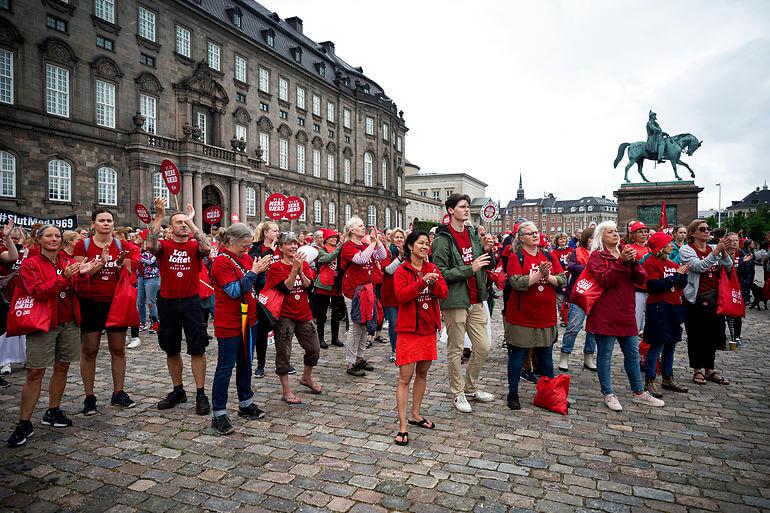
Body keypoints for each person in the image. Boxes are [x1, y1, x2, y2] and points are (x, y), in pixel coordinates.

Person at [5, 226, 98, 447]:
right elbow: (38, 291)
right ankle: (24, 422)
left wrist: (83, 275)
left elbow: (78, 289)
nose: (54, 239)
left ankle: (53, 410)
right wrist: (65, 278)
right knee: (35, 372)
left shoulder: (66, 261)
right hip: (43, 325)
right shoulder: (31, 264)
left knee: (62, 366)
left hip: (69, 323)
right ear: (39, 240)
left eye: (57, 236)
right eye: (49, 235)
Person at [586, 221, 664, 411]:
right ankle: (608, 393)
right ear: (600, 236)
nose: (615, 234)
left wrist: (634, 262)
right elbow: (605, 280)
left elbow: (641, 279)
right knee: (605, 354)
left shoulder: (626, 253)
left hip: (625, 312)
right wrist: (621, 262)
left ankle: (638, 392)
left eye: (615, 231)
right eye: (609, 232)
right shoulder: (597, 256)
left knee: (632, 353)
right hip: (604, 313)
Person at [146, 198, 212, 415]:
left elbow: (207, 247)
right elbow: (149, 244)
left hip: (192, 302)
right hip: (168, 303)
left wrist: (192, 222)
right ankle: (178, 390)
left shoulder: (194, 246)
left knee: (197, 348)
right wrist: (158, 216)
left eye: (185, 222)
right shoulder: (164, 246)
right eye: (179, 222)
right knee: (171, 349)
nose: (183, 225)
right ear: (170, 228)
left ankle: (201, 393)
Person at [431, 193, 495, 413]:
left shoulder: (472, 233)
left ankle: (470, 386)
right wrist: (471, 268)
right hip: (456, 300)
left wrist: (488, 250)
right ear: (450, 211)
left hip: (477, 298)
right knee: (456, 348)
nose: (467, 210)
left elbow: (485, 264)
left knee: (483, 347)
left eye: (468, 206)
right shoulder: (442, 239)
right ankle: (457, 392)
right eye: (462, 206)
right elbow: (440, 273)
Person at [73, 208, 139, 414]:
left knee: (118, 349)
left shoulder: (122, 245)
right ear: (93, 223)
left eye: (109, 220)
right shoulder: (83, 245)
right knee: (90, 350)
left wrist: (121, 265)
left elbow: (129, 270)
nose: (106, 223)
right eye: (101, 220)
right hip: (91, 302)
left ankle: (118, 392)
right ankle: (89, 396)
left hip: (116, 303)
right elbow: (79, 275)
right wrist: (100, 263)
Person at [209, 223, 271, 434]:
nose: (247, 250)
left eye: (248, 246)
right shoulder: (221, 262)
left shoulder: (245, 258)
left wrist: (261, 272)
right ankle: (218, 413)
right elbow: (234, 291)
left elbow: (255, 286)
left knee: (246, 364)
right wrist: (254, 272)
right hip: (229, 322)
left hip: (249, 320)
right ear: (230, 242)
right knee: (225, 368)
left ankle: (246, 403)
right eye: (243, 246)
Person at [393, 230, 447, 446]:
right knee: (405, 378)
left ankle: (415, 415)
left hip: (427, 329)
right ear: (410, 246)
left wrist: (433, 283)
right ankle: (403, 426)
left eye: (427, 244)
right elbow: (402, 296)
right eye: (421, 243)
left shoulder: (432, 268)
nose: (425, 247)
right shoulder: (402, 270)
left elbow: (443, 293)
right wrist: (422, 282)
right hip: (408, 331)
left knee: (423, 373)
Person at [504, 222, 566, 410]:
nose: (535, 235)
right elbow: (516, 282)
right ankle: (513, 392)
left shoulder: (548, 255)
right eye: (530, 233)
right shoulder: (517, 257)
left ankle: (549, 392)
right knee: (518, 355)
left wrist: (548, 277)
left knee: (546, 356)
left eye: (536, 232)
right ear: (521, 238)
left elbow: (562, 279)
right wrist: (539, 273)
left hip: (545, 315)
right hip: (522, 316)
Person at [265, 232, 323, 404]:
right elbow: (286, 288)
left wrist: (300, 270)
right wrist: (293, 270)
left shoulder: (302, 263)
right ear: (281, 247)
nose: (293, 247)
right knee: (284, 353)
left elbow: (308, 286)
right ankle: (286, 390)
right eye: (289, 244)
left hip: (303, 313)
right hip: (284, 315)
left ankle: (306, 378)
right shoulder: (275, 267)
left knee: (314, 348)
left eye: (295, 243)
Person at [679, 220, 735, 386]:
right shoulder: (686, 250)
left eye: (708, 229)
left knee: (712, 334)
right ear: (692, 233)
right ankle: (697, 369)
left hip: (715, 298)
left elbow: (729, 266)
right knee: (697, 335)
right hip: (696, 298)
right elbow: (699, 267)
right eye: (702, 229)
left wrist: (723, 252)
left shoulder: (712, 249)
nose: (706, 231)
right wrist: (717, 251)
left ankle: (709, 369)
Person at [641, 232, 690, 397]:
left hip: (674, 307)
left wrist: (682, 275)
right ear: (661, 246)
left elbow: (682, 284)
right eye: (669, 243)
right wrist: (677, 276)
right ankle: (650, 380)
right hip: (659, 308)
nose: (672, 245)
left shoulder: (672, 263)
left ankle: (668, 378)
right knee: (657, 345)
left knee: (671, 344)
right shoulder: (651, 263)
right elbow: (655, 286)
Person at [340, 217, 387, 377]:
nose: (363, 227)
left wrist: (377, 241)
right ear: (352, 230)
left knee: (365, 324)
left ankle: (360, 357)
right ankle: (350, 361)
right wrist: (372, 244)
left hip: (367, 290)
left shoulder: (366, 245)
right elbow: (360, 259)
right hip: (352, 291)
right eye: (360, 226)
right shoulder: (347, 247)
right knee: (355, 325)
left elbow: (382, 256)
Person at [248, 220, 284, 378]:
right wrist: (269, 251)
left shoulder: (281, 247)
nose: (277, 233)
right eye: (274, 231)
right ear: (266, 233)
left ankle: (283, 363)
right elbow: (257, 266)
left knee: (282, 330)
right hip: (262, 294)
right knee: (262, 331)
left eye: (277, 231)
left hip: (280, 291)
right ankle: (260, 364)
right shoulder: (256, 249)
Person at [559, 227, 597, 372]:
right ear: (586, 239)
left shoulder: (600, 253)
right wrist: (589, 268)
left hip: (595, 295)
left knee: (593, 329)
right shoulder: (577, 251)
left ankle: (589, 356)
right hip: (579, 294)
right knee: (573, 327)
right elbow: (571, 266)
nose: (593, 240)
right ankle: (565, 355)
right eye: (591, 237)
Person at [313, 229, 346, 349]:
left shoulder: (339, 249)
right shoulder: (322, 250)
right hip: (323, 285)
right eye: (331, 237)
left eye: (335, 237)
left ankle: (335, 338)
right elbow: (327, 259)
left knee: (336, 314)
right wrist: (339, 248)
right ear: (326, 239)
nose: (334, 239)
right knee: (322, 314)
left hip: (336, 285)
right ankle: (320, 338)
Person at [381, 228, 406, 362]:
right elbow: (389, 270)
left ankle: (404, 348)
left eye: (401, 237)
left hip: (405, 292)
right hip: (390, 293)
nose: (399, 240)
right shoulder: (386, 252)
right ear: (391, 239)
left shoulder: (409, 252)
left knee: (405, 324)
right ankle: (395, 349)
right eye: (396, 237)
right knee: (394, 323)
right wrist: (400, 258)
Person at [626, 221, 651, 336]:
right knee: (636, 319)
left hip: (650, 288)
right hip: (637, 288)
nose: (644, 234)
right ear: (633, 234)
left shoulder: (650, 249)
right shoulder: (629, 248)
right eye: (640, 232)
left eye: (646, 231)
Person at [136, 229, 159, 336]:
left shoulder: (155, 248)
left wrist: (138, 255)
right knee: (140, 302)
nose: (138, 239)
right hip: (141, 276)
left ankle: (154, 322)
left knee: (151, 302)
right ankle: (142, 322)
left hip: (152, 277)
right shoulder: (139, 249)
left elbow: (150, 261)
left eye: (140, 237)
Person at [551, 232, 572, 326]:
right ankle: (563, 318)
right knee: (560, 299)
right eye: (560, 239)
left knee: (571, 299)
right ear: (557, 241)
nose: (563, 240)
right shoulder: (554, 252)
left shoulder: (571, 249)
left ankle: (571, 318)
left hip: (571, 277)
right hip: (560, 277)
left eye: (564, 238)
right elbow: (555, 265)